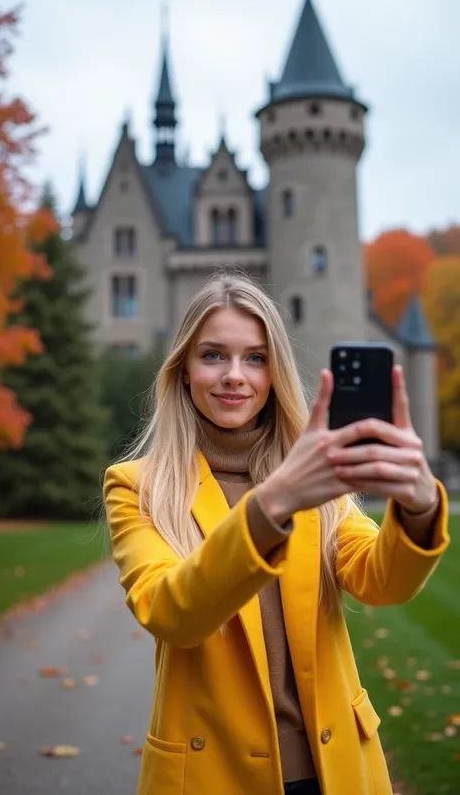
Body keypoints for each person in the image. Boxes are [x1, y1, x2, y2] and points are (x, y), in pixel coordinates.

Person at [104, 272, 449, 795]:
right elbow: (172, 612)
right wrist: (273, 505)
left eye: (256, 358)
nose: (234, 376)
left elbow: (384, 583)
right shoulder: (136, 486)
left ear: (274, 373)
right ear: (183, 370)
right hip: (210, 775)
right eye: (214, 355)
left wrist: (420, 507)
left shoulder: (315, 477)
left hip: (331, 768)